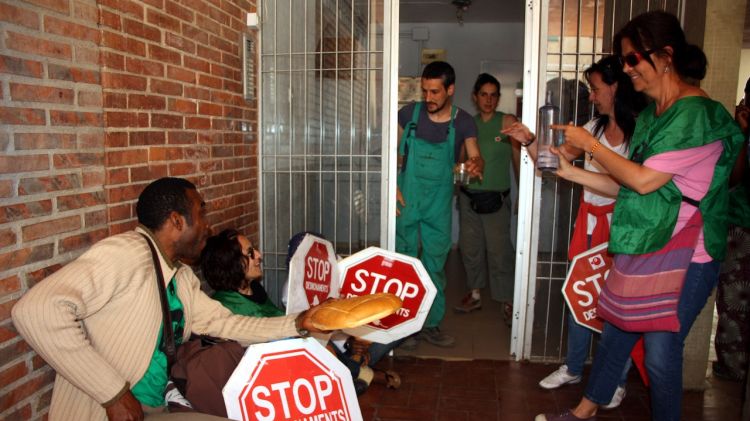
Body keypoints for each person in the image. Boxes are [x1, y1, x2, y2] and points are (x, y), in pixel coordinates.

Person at [535, 11, 744, 421]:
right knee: (616, 332)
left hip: (688, 254)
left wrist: (589, 147)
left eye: (632, 59)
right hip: (648, 242)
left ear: (665, 56)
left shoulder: (696, 115)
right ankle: (583, 411)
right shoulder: (652, 116)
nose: (626, 68)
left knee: (662, 352)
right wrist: (570, 170)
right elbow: (630, 187)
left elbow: (646, 181)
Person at [11, 177, 325, 421]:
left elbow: (225, 323)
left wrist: (299, 323)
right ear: (177, 221)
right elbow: (36, 311)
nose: (208, 226)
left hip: (152, 408)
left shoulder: (182, 277)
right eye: (201, 214)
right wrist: (113, 395)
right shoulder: (126, 253)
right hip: (103, 411)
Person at [504, 56, 647, 409]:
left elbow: (634, 185)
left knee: (616, 304)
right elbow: (552, 162)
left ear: (616, 87)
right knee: (577, 293)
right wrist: (528, 140)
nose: (592, 97)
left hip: (622, 224)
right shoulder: (592, 128)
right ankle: (572, 365)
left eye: (596, 89)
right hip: (589, 221)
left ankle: (614, 376)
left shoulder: (643, 130)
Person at [200, 229, 401, 395]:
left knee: (387, 328)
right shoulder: (225, 304)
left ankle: (354, 370)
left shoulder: (254, 288)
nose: (259, 255)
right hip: (277, 367)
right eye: (250, 252)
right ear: (231, 263)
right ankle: (355, 373)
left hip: (300, 345)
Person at [396, 61, 484, 347]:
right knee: (403, 263)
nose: (428, 98)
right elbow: (392, 156)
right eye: (425, 91)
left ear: (450, 89)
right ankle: (403, 327)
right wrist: (392, 186)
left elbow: (475, 156)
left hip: (438, 205)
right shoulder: (408, 114)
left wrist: (475, 164)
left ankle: (430, 324)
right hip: (406, 199)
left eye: (435, 92)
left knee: (434, 265)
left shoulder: (463, 121)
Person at [454, 73, 520, 320]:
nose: (489, 100)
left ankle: (507, 300)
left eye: (494, 95)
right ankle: (474, 295)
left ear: (498, 98)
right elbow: (460, 160)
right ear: (475, 97)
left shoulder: (508, 122)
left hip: (496, 200)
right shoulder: (468, 124)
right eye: (484, 94)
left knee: (499, 251)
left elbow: (517, 160)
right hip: (469, 199)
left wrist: (522, 193)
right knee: (470, 249)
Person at [713, 76, 750, 382]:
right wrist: (742, 133)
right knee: (734, 302)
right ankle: (732, 367)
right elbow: (734, 179)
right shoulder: (738, 133)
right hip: (739, 227)